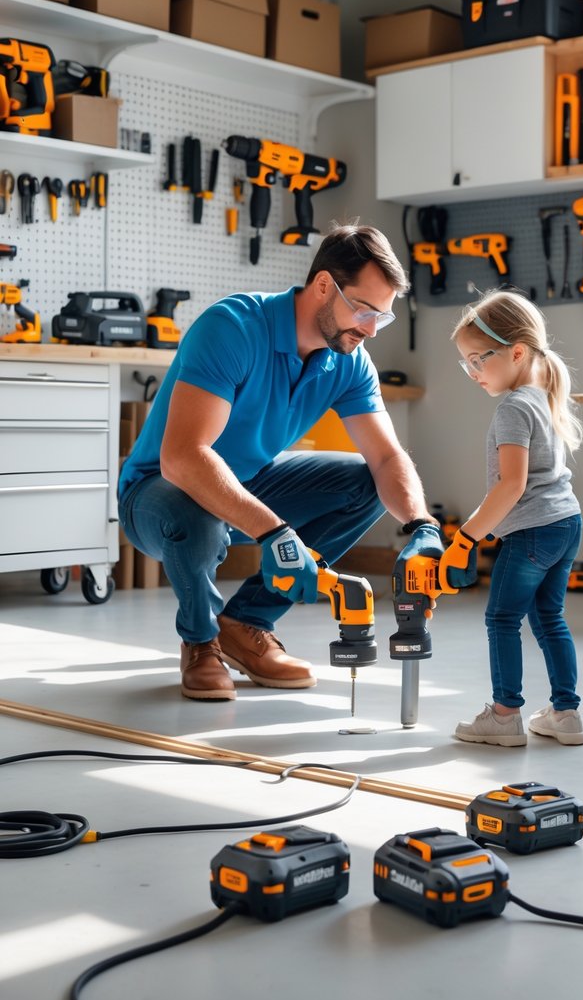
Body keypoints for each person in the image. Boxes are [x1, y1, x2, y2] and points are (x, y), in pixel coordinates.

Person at [118, 223, 443, 701]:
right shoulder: (232, 328)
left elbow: (387, 456)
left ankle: (246, 622)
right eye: (364, 310)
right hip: (158, 493)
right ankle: (201, 641)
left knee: (367, 483)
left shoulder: (349, 359)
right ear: (324, 286)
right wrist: (275, 532)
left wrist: (422, 527)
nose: (371, 328)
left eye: (383, 317)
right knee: (196, 511)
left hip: (249, 481)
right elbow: (183, 458)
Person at [438, 289, 583, 747]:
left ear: (516, 352)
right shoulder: (541, 397)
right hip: (566, 523)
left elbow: (511, 485)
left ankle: (504, 716)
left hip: (532, 532)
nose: (472, 373)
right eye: (466, 363)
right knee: (549, 619)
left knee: (502, 618)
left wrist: (465, 539)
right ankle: (566, 714)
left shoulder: (513, 408)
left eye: (478, 360)